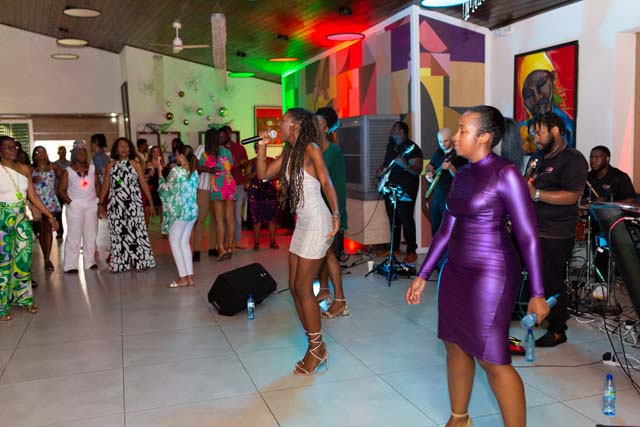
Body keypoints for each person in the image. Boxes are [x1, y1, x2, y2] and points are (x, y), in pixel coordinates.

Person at [406, 106, 549, 427]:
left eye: (462, 130)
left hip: (491, 273)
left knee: (491, 357)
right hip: (455, 270)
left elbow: (527, 235)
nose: (456, 137)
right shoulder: (463, 174)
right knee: (454, 344)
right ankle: (459, 418)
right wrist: (424, 274)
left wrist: (538, 292)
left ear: (484, 137)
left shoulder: (505, 174)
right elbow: (446, 229)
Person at [256, 108, 339, 376]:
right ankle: (315, 345)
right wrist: (261, 148)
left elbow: (326, 182)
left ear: (296, 126)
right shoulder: (290, 153)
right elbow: (263, 174)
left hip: (317, 222)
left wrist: (336, 214)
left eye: (283, 121)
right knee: (294, 287)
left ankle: (316, 350)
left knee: (303, 287)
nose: (278, 124)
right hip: (303, 224)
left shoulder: (311, 149)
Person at [526, 111, 588, 347]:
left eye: (539, 133)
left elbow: (572, 196)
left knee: (553, 281)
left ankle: (558, 330)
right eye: (534, 134)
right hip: (534, 229)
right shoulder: (538, 158)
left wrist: (537, 195)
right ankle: (539, 314)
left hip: (556, 233)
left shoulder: (573, 159)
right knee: (536, 278)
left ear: (555, 131)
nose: (536, 138)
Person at [1, 135, 59, 321]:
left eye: (14, 147)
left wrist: (50, 216)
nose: (13, 150)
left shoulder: (25, 168)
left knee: (23, 259)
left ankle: (24, 299)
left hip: (21, 217)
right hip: (2, 217)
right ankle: (2, 305)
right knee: (4, 261)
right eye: (8, 147)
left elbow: (33, 196)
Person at [99, 137, 156, 273]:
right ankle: (120, 263)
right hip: (116, 205)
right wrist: (100, 203)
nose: (124, 149)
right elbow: (105, 186)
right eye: (121, 146)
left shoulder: (135, 164)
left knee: (137, 232)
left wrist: (151, 203)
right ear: (116, 150)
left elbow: (143, 184)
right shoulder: (110, 166)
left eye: (126, 146)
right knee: (118, 233)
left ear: (130, 149)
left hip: (133, 205)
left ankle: (141, 261)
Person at [314, 106, 349, 318]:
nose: (315, 127)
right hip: (316, 210)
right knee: (321, 255)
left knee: (329, 255)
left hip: (330, 212)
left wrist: (337, 214)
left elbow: (338, 186)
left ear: (327, 128)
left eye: (319, 123)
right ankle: (324, 290)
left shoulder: (333, 152)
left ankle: (340, 300)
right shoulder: (313, 149)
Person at [378, 121, 423, 263]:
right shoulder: (391, 147)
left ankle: (411, 250)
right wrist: (381, 170)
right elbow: (386, 164)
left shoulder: (413, 149)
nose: (391, 131)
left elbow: (417, 170)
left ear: (402, 132)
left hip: (406, 189)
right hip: (390, 187)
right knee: (393, 219)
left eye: (394, 128)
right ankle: (395, 248)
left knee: (406, 218)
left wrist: (405, 165)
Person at [158, 144, 199, 287]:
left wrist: (159, 172)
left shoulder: (176, 171)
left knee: (175, 243)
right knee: (184, 243)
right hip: (191, 211)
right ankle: (189, 277)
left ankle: (183, 278)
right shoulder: (194, 172)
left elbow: (165, 189)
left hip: (180, 212)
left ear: (181, 156)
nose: (175, 157)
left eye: (176, 154)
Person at [58, 142, 100, 273]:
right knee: (74, 235)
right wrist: (71, 203)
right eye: (80, 154)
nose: (83, 156)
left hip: (91, 204)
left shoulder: (92, 169)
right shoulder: (68, 171)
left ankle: (90, 261)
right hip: (75, 205)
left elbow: (97, 185)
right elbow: (61, 190)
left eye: (85, 154)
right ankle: (70, 265)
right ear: (74, 156)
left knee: (91, 233)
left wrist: (98, 201)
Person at [424, 128, 467, 235]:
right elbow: (429, 166)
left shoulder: (459, 155)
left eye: (445, 141)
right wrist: (429, 173)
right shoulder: (439, 152)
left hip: (450, 198)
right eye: (440, 141)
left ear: (451, 138)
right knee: (435, 230)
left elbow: (462, 179)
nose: (442, 144)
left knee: (448, 231)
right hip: (436, 197)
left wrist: (451, 168)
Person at [204, 128, 236, 261]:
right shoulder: (227, 151)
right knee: (230, 217)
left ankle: (221, 249)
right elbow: (231, 164)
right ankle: (230, 248)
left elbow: (201, 167)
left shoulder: (207, 154)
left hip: (217, 184)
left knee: (219, 219)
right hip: (229, 181)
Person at [32, 146, 63, 271]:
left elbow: (64, 177)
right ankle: (45, 256)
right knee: (42, 229)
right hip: (37, 202)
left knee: (48, 228)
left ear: (46, 154)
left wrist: (61, 191)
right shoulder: (31, 169)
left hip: (50, 201)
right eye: (38, 152)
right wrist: (33, 180)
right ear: (35, 155)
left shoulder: (53, 167)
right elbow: (26, 183)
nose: (41, 154)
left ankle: (47, 259)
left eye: (43, 152)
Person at [244, 142, 279, 250]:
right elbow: (246, 177)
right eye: (257, 148)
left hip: (270, 190)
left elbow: (278, 175)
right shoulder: (251, 162)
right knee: (256, 218)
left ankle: (273, 241)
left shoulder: (271, 160)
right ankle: (256, 242)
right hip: (255, 191)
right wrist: (257, 172)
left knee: (272, 217)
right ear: (255, 150)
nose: (260, 149)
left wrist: (271, 175)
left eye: (262, 147)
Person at [222, 126, 248, 249]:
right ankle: (224, 242)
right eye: (222, 134)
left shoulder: (239, 147)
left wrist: (240, 164)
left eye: (226, 133)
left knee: (237, 215)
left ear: (230, 134)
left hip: (237, 184)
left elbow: (246, 162)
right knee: (224, 216)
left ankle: (236, 241)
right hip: (223, 186)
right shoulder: (219, 149)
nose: (224, 136)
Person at [192, 136, 218, 261]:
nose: (213, 141)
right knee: (201, 219)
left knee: (215, 219)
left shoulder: (219, 150)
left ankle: (213, 248)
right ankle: (196, 250)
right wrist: (209, 169)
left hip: (217, 189)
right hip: (203, 187)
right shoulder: (201, 148)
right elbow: (194, 166)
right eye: (211, 137)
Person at [53, 145, 71, 240]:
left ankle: (71, 231)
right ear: (58, 153)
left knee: (70, 213)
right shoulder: (55, 164)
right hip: (58, 192)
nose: (62, 153)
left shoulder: (70, 164)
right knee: (58, 214)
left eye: (63, 151)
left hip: (69, 192)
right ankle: (60, 232)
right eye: (60, 151)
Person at [144, 146, 164, 226]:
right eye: (154, 151)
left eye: (158, 151)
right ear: (151, 153)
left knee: (161, 210)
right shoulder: (146, 164)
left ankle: (162, 230)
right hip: (149, 189)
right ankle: (145, 230)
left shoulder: (163, 165)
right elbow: (141, 177)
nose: (156, 153)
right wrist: (148, 175)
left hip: (160, 189)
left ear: (160, 153)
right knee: (147, 210)